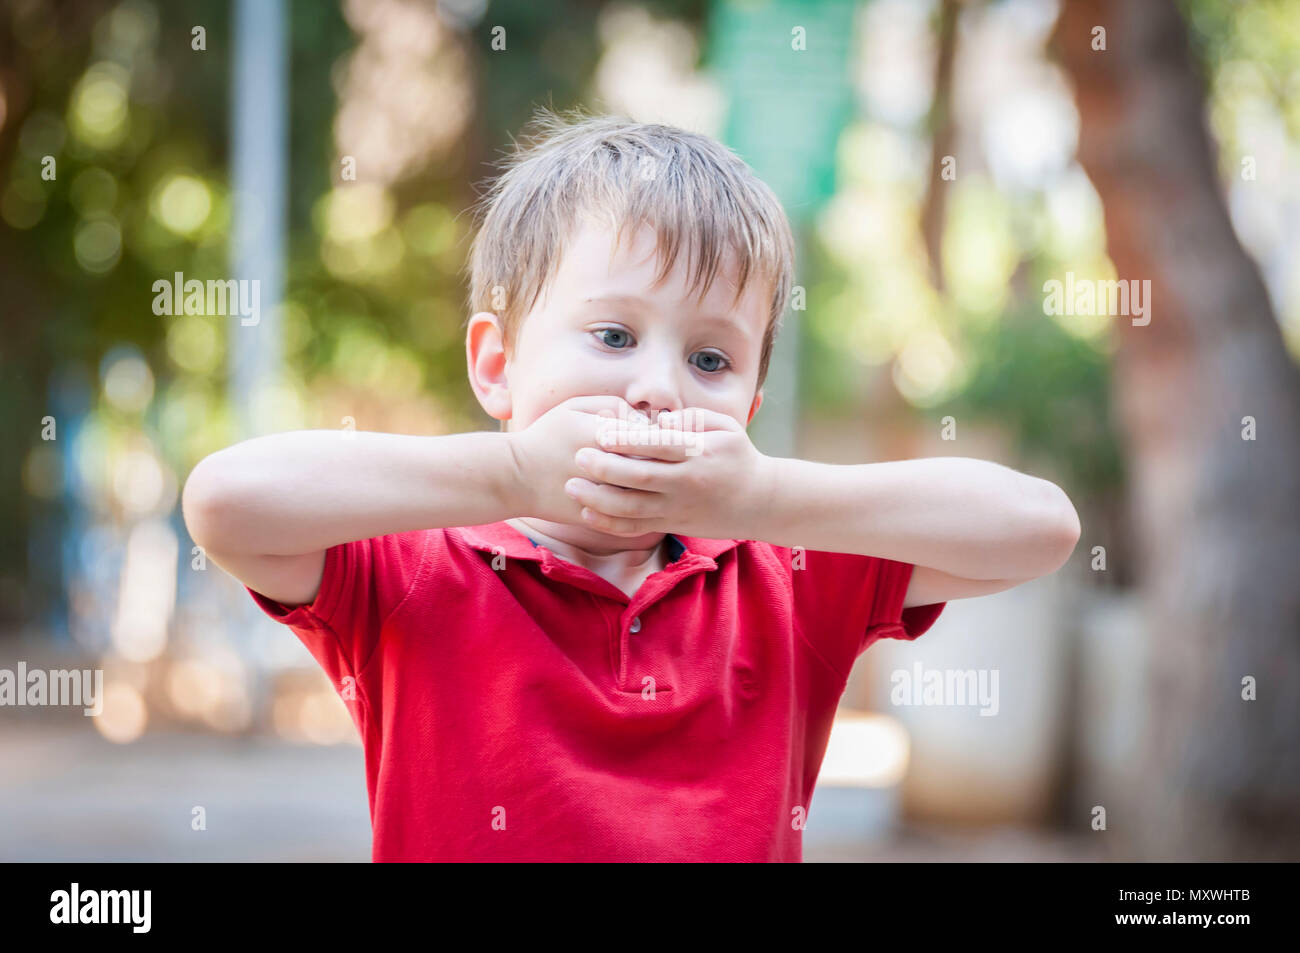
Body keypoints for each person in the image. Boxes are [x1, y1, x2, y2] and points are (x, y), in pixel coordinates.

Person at [181, 108, 1080, 862]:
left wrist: (765, 497)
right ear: (496, 366)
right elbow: (225, 502)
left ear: (751, 404)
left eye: (710, 357)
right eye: (613, 336)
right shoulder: (418, 570)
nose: (658, 386)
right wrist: (511, 471)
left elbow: (1040, 528)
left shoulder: (789, 574)